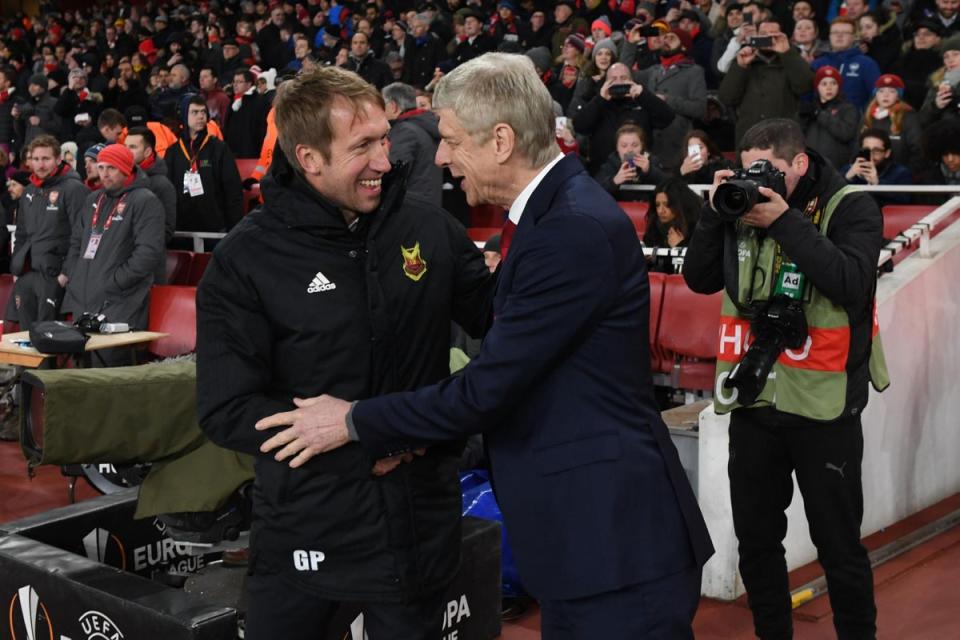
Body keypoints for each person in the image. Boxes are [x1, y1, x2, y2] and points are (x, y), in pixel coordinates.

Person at [254, 52, 713, 640]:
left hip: (611, 540)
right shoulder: (551, 216)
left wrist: (352, 421)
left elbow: (487, 387)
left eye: (448, 139)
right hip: (587, 538)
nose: (440, 157)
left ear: (500, 140)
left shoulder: (569, 231)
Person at [195, 65, 491, 640]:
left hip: (419, 533)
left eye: (384, 138)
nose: (385, 159)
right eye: (363, 146)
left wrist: (426, 427)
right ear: (308, 158)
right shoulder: (246, 259)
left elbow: (507, 331)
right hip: (306, 533)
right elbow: (226, 408)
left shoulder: (431, 229)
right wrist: (358, 441)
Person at [683, 118, 887, 640]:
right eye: (752, 168)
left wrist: (783, 219)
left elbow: (850, 281)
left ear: (799, 163)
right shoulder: (739, 203)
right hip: (754, 395)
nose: (759, 180)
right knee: (755, 541)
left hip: (824, 403)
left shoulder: (851, 205)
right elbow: (700, 279)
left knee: (838, 544)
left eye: (770, 170)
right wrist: (714, 212)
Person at [60, 144, 165, 358]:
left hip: (120, 303)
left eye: (112, 168)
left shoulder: (145, 200)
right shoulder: (93, 199)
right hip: (83, 299)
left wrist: (114, 281)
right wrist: (74, 274)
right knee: (79, 375)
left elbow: (148, 253)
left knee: (108, 373)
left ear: (126, 169)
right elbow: (76, 242)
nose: (104, 174)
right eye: (101, 167)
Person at [718, 18, 813, 145]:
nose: (768, 38)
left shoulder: (792, 58)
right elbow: (726, 98)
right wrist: (740, 67)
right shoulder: (743, 59)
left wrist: (787, 52)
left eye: (773, 34)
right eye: (763, 34)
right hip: (749, 138)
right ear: (755, 36)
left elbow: (805, 86)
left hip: (783, 139)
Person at [573, 61, 675, 174]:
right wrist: (600, 99)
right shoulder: (598, 101)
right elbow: (579, 126)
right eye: (614, 78)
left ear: (632, 80)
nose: (619, 82)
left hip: (639, 173)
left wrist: (643, 95)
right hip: (603, 174)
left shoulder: (642, 101)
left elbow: (668, 117)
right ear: (606, 82)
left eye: (623, 78)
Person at [166, 95, 243, 233]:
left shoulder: (219, 148)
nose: (201, 116)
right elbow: (168, 192)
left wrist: (234, 228)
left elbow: (233, 191)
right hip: (181, 228)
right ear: (184, 115)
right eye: (194, 112)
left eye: (203, 112)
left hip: (215, 227)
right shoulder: (173, 152)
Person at [637, 28, 708, 171]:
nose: (666, 40)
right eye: (665, 37)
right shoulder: (654, 70)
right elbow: (625, 74)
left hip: (676, 142)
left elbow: (700, 109)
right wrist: (630, 43)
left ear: (683, 46)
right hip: (651, 142)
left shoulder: (694, 71)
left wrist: (666, 100)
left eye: (672, 38)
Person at [125, 126, 176, 281]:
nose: (127, 152)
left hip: (149, 271)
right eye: (125, 147)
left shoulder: (162, 185)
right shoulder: (123, 180)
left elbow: (166, 230)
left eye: (133, 147)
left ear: (148, 152)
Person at [382, 81, 443, 206]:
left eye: (383, 106)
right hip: (428, 204)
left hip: (411, 208)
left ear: (393, 106)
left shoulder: (404, 132)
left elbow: (392, 175)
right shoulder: (424, 126)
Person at [812, 17, 882, 111]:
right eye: (835, 32)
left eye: (845, 33)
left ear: (854, 37)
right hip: (821, 121)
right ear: (829, 36)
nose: (839, 36)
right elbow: (807, 97)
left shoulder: (867, 64)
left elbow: (876, 96)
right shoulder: (817, 64)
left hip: (855, 122)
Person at [800, 65, 861, 170]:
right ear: (817, 87)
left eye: (833, 83)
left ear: (839, 86)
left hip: (837, 167)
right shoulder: (808, 109)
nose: (829, 87)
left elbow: (846, 133)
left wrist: (819, 114)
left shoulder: (848, 108)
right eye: (824, 84)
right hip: (811, 167)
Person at [861, 74, 924, 174]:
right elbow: (857, 147)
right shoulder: (867, 116)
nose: (885, 95)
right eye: (881, 91)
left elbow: (918, 149)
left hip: (899, 177)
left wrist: (908, 173)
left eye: (891, 91)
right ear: (875, 94)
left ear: (898, 95)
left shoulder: (908, 116)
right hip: (869, 174)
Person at [593, 123, 667, 199]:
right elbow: (593, 193)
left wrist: (650, 171)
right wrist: (614, 181)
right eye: (624, 146)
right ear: (617, 148)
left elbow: (670, 186)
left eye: (635, 145)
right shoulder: (610, 165)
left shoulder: (652, 161)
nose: (629, 150)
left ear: (642, 146)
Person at [843, 128, 913, 206]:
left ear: (887, 153)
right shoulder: (849, 170)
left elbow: (904, 200)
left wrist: (878, 184)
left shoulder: (901, 173)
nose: (871, 155)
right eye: (866, 150)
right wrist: (847, 178)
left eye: (876, 151)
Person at [642, 177, 702, 255]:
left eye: (667, 205)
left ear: (680, 205)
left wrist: (680, 246)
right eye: (657, 205)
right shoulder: (654, 225)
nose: (660, 211)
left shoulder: (697, 227)